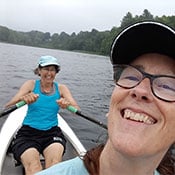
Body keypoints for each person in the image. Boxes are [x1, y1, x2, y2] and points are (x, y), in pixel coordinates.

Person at [35, 21, 175, 175]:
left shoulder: (61, 89)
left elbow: (74, 106)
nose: (140, 90)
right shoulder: (30, 86)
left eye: (168, 86)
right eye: (131, 76)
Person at [5, 55, 80, 175]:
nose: (49, 73)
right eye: (46, 68)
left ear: (56, 72)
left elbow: (77, 110)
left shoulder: (61, 88)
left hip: (52, 133)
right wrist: (23, 98)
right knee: (34, 167)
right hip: (28, 134)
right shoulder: (30, 85)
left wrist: (67, 105)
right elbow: (8, 107)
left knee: (54, 166)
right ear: (39, 70)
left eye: (53, 69)